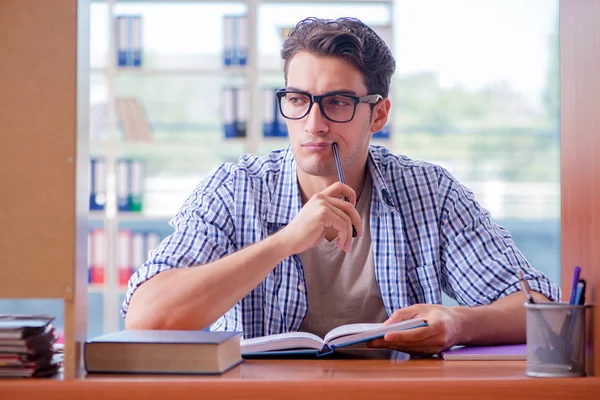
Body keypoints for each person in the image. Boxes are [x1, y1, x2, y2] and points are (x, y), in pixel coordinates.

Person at [122, 17, 560, 355]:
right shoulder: (235, 188)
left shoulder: (430, 192)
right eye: (297, 100)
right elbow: (146, 317)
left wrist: (459, 324)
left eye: (338, 102)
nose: (314, 124)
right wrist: (285, 241)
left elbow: (540, 308)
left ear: (379, 115)